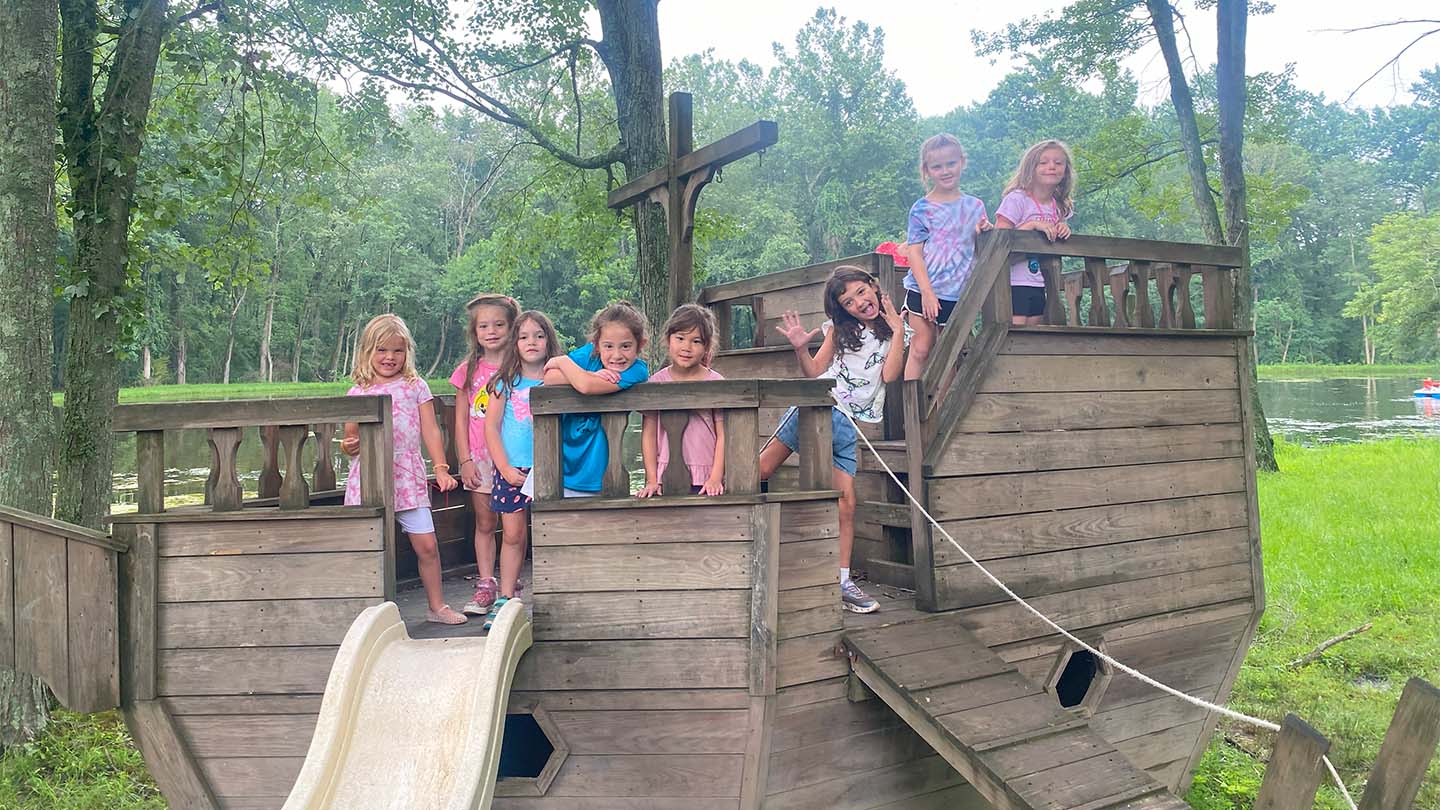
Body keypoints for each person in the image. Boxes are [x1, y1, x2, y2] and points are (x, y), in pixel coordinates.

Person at [760, 267, 908, 614]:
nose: (859, 302)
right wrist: (800, 349)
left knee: (847, 504)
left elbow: (889, 375)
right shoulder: (840, 330)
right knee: (761, 469)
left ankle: (841, 582)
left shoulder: (894, 332)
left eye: (861, 292)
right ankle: (718, 516)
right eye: (849, 300)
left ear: (874, 287)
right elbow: (813, 372)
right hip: (818, 409)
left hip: (848, 426)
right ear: (842, 308)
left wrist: (899, 329)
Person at [340, 314, 462, 624]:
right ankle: (364, 614)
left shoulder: (415, 386)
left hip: (407, 476)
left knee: (427, 545)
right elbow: (350, 438)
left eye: (397, 350)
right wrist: (348, 446)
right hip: (368, 478)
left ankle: (436, 607)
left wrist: (442, 467)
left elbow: (431, 431)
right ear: (368, 351)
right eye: (382, 350)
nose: (389, 357)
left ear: (407, 352)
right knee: (365, 547)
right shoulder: (358, 391)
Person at [483, 310, 563, 630]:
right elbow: (491, 429)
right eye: (524, 336)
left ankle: (552, 597)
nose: (532, 342)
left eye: (539, 335)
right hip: (512, 469)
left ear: (549, 341)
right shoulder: (504, 383)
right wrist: (503, 468)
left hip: (549, 466)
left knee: (550, 532)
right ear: (515, 343)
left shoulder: (556, 379)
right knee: (513, 534)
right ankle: (505, 597)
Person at [449, 293, 520, 616]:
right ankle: (486, 582)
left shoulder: (520, 366)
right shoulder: (468, 370)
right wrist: (463, 460)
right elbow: (461, 418)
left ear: (512, 327)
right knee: (485, 521)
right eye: (483, 326)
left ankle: (510, 581)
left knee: (515, 525)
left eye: (499, 325)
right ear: (474, 332)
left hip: (514, 456)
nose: (491, 331)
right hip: (479, 458)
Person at [903, 133, 992, 380]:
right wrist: (928, 292)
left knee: (948, 355)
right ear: (927, 170)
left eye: (950, 164)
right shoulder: (922, 207)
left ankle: (941, 413)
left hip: (957, 291)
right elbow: (914, 251)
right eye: (937, 166)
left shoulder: (975, 206)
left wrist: (984, 231)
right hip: (924, 289)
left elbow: (980, 247)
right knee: (920, 349)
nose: (945, 171)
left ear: (962, 162)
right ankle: (911, 411)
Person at [542, 302, 650, 497]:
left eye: (626, 346)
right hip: (560, 462)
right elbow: (549, 378)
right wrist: (593, 374)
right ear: (596, 344)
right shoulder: (588, 354)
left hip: (598, 470)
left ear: (640, 344)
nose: (617, 355)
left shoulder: (637, 370)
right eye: (608, 346)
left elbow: (585, 386)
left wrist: (561, 361)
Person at [637, 304, 726, 498]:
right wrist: (651, 479)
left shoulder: (716, 383)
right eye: (680, 338)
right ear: (668, 340)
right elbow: (649, 434)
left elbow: (723, 435)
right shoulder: (655, 383)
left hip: (706, 479)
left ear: (707, 347)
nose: (687, 347)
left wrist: (715, 477)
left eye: (696, 341)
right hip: (664, 477)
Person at [994, 139, 1076, 326]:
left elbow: (1056, 235)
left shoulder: (1059, 205)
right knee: (1015, 330)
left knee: (1033, 331)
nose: (1051, 167)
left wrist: (1063, 227)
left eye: (1058, 163)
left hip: (1039, 280)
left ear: (1065, 171)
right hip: (1012, 280)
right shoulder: (1017, 199)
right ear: (1031, 167)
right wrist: (1031, 225)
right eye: (1043, 162)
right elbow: (997, 242)